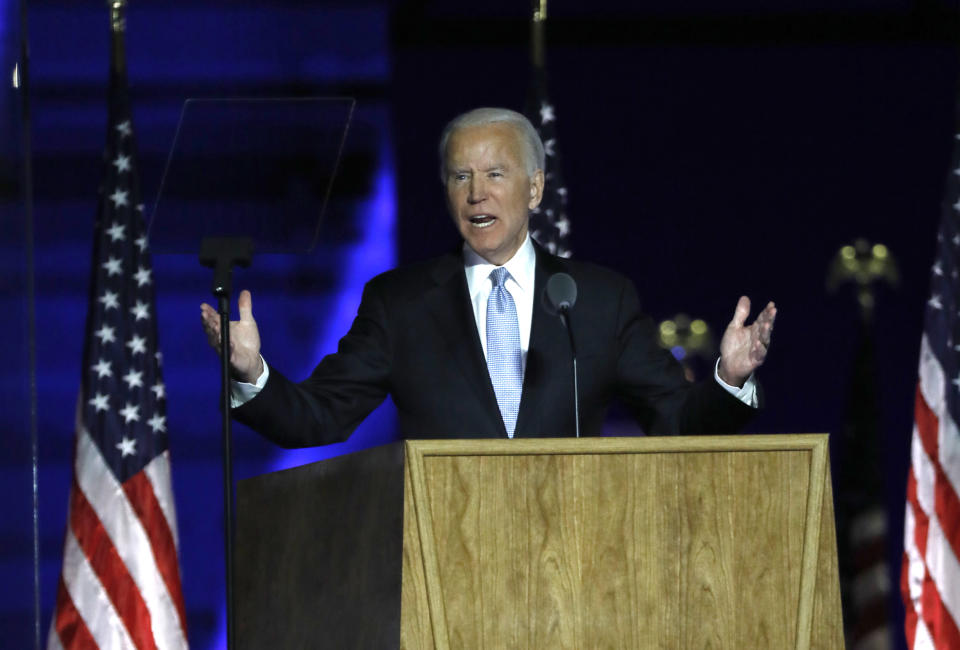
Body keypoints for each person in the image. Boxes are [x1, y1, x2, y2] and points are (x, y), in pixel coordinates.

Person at [200, 107, 776, 446]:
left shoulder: (599, 301)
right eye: (460, 177)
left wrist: (728, 377)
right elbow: (320, 416)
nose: (477, 194)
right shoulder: (400, 305)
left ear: (534, 188)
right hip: (446, 577)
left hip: (575, 569)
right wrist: (253, 373)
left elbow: (675, 421)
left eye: (496, 174)